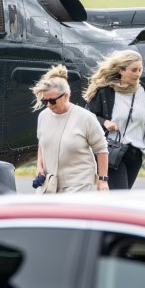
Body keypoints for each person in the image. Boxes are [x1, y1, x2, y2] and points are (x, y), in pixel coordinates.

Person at [83, 50, 145, 190]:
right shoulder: (105, 92)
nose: (138, 74)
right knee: (120, 195)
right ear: (121, 70)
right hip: (111, 152)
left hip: (135, 154)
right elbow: (87, 116)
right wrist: (104, 122)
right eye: (133, 70)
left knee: (118, 198)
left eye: (140, 70)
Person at [33, 65, 109, 193]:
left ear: (66, 96)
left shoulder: (86, 118)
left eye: (52, 101)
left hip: (79, 183)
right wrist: (39, 166)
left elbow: (101, 149)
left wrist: (102, 180)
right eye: (45, 101)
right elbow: (42, 144)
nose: (48, 105)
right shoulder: (43, 116)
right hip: (50, 183)